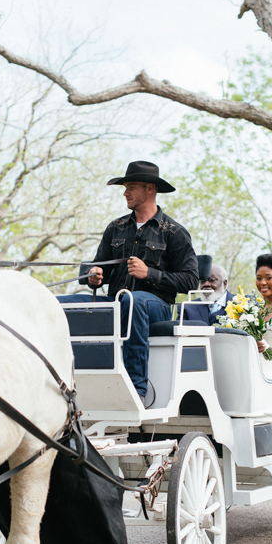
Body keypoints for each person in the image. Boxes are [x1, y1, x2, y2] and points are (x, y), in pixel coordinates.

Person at [88, 160, 199, 402]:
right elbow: (101, 268)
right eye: (125, 187)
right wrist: (94, 276)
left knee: (134, 300)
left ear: (150, 189)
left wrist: (149, 274)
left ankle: (136, 389)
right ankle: (75, 380)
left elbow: (191, 281)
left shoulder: (174, 232)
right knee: (65, 303)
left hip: (155, 307)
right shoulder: (115, 228)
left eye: (131, 187)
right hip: (116, 302)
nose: (125, 192)